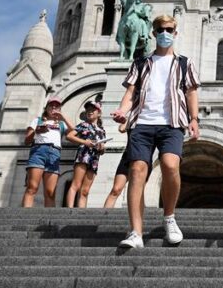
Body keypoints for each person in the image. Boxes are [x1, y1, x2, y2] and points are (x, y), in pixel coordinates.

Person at [111, 14, 201, 248]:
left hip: (172, 123)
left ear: (175, 32)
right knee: (137, 170)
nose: (165, 33)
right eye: (161, 29)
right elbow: (130, 93)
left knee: (171, 165)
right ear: (153, 33)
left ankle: (169, 217)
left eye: (169, 29)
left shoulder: (184, 63)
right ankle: (136, 232)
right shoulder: (141, 63)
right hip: (142, 122)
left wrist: (194, 119)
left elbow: (191, 92)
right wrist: (122, 110)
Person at [22, 97, 75, 208]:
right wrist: (37, 131)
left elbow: (74, 130)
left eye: (57, 106)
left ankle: (48, 222)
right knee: (32, 187)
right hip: (38, 151)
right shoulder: (37, 120)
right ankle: (24, 217)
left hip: (54, 153)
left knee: (50, 192)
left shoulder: (61, 124)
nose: (54, 107)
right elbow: (27, 140)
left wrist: (63, 117)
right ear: (46, 107)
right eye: (51, 105)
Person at [65, 101, 107, 208]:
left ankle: (81, 213)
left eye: (93, 110)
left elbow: (102, 150)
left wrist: (101, 148)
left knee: (85, 190)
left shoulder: (102, 130)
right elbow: (69, 136)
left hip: (94, 160)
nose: (90, 112)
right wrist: (85, 142)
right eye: (88, 110)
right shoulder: (83, 125)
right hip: (83, 156)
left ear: (99, 113)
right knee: (76, 185)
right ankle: (69, 211)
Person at [103, 121, 148, 212]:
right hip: (128, 156)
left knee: (139, 190)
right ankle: (103, 217)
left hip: (143, 158)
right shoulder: (134, 117)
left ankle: (138, 219)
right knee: (116, 189)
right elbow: (121, 128)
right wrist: (130, 118)